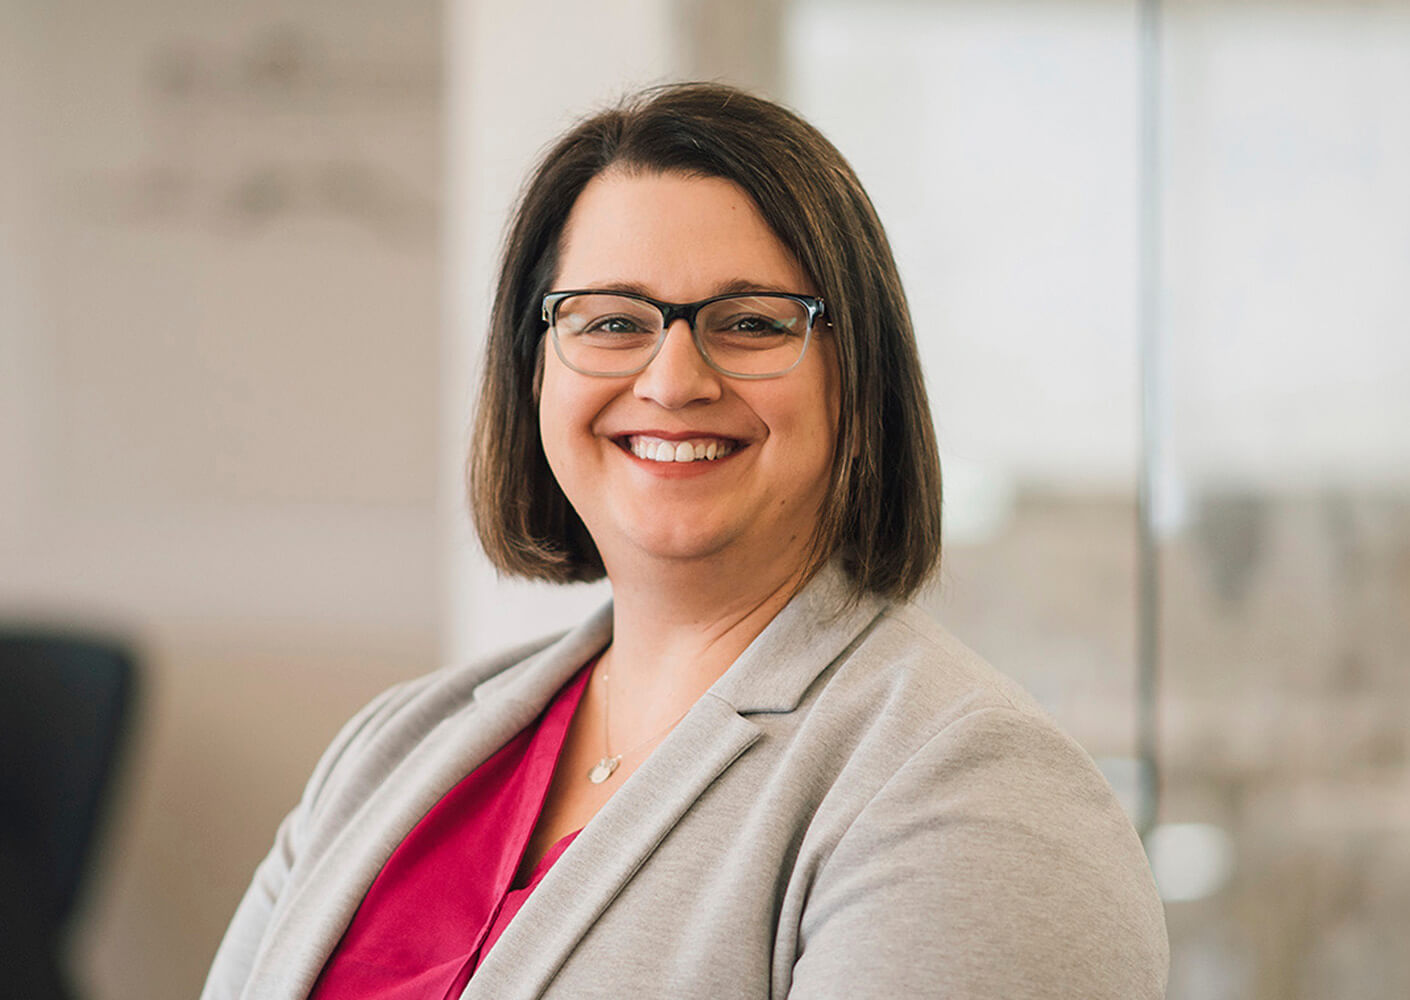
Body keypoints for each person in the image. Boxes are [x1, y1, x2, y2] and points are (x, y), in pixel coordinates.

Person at [202, 83, 1168, 1000]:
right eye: (613, 321)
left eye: (749, 323)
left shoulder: (973, 797)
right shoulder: (393, 750)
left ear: (856, 376)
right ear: (534, 370)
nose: (673, 379)